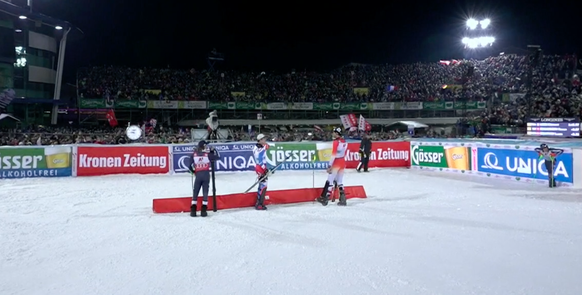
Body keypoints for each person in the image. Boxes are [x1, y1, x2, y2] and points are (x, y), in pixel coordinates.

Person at [188, 140, 220, 217]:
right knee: (205, 192)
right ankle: (203, 210)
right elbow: (218, 157)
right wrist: (214, 150)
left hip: (198, 174)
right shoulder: (207, 154)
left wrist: (193, 171)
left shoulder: (194, 154)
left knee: (195, 191)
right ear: (204, 146)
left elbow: (189, 166)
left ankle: (193, 210)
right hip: (206, 174)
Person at [317, 127, 348, 206]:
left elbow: (333, 155)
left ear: (337, 133)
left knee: (330, 180)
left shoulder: (336, 142)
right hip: (342, 162)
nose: (332, 133)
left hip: (336, 162)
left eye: (334, 132)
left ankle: (325, 198)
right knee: (340, 181)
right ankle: (343, 199)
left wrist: (330, 165)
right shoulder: (344, 142)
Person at [253, 134, 270, 210]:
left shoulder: (259, 147)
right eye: (263, 139)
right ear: (260, 140)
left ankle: (259, 203)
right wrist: (264, 168)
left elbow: (267, 146)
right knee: (263, 185)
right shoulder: (258, 149)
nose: (265, 140)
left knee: (262, 185)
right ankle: (259, 203)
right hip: (260, 167)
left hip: (261, 167)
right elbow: (259, 160)